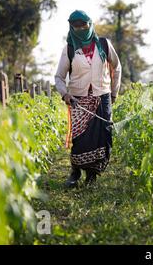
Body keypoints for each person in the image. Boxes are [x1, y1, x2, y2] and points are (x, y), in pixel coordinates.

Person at [54, 10, 121, 187]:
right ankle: (75, 172)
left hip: (102, 96)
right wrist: (65, 94)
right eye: (76, 26)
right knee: (81, 139)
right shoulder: (69, 48)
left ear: (90, 25)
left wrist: (114, 93)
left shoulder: (104, 44)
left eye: (84, 25)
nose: (80, 28)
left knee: (102, 136)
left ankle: (92, 176)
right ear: (71, 27)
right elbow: (59, 77)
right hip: (78, 98)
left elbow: (117, 67)